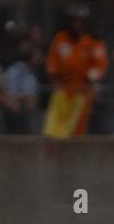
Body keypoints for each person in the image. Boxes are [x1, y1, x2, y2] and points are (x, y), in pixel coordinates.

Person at [43, 8, 107, 137]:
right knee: (55, 129)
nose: (76, 25)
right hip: (63, 91)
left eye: (80, 21)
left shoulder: (93, 41)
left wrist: (92, 77)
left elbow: (100, 65)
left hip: (83, 91)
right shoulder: (60, 39)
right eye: (74, 21)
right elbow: (52, 64)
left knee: (78, 128)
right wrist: (55, 81)